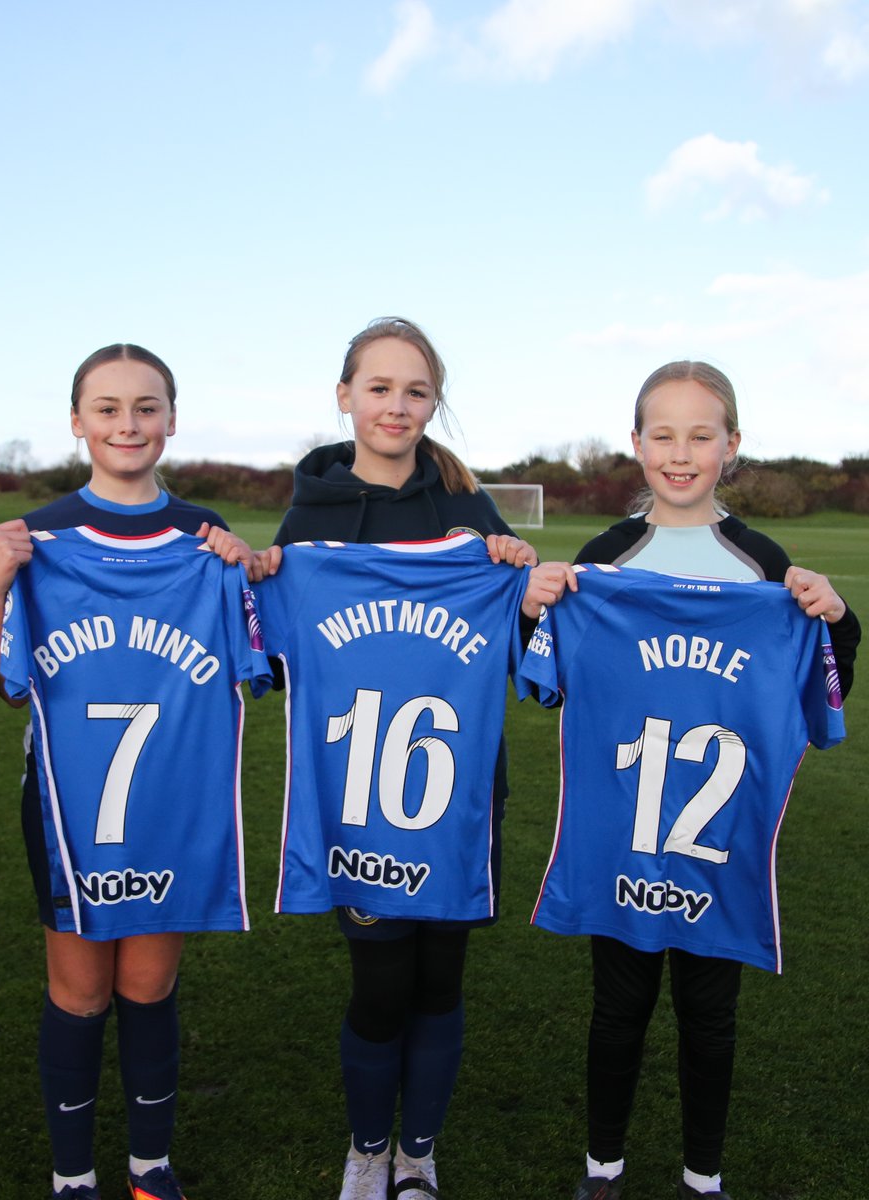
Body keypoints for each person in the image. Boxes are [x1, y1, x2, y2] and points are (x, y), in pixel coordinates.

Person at [520, 360, 860, 1200]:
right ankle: (602, 1169)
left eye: (700, 435)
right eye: (662, 435)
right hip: (622, 837)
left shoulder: (762, 563)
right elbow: (541, 681)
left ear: (731, 446)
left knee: (710, 1022)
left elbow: (824, 685)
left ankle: (702, 1176)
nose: (681, 453)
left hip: (719, 841)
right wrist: (534, 609)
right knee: (618, 1012)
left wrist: (836, 618)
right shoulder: (604, 558)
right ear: (635, 445)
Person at [0, 343, 263, 1200]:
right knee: (78, 989)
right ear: (76, 422)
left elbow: (257, 656)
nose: (127, 424)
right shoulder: (40, 538)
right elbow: (5, 686)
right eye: (107, 408)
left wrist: (248, 570)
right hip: (69, 807)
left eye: (145, 407)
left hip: (170, 802)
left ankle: (148, 1167)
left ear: (171, 420)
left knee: (147, 983)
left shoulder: (207, 538)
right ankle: (72, 1177)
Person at [263, 317, 537, 1200]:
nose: (396, 406)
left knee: (440, 979)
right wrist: (254, 571)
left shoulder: (468, 511)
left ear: (434, 403)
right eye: (378, 388)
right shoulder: (310, 518)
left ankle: (418, 1154)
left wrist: (517, 570)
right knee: (381, 985)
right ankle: (367, 1147)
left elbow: (520, 637)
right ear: (344, 396)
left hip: (457, 794)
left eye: (415, 391)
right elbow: (272, 652)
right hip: (356, 799)